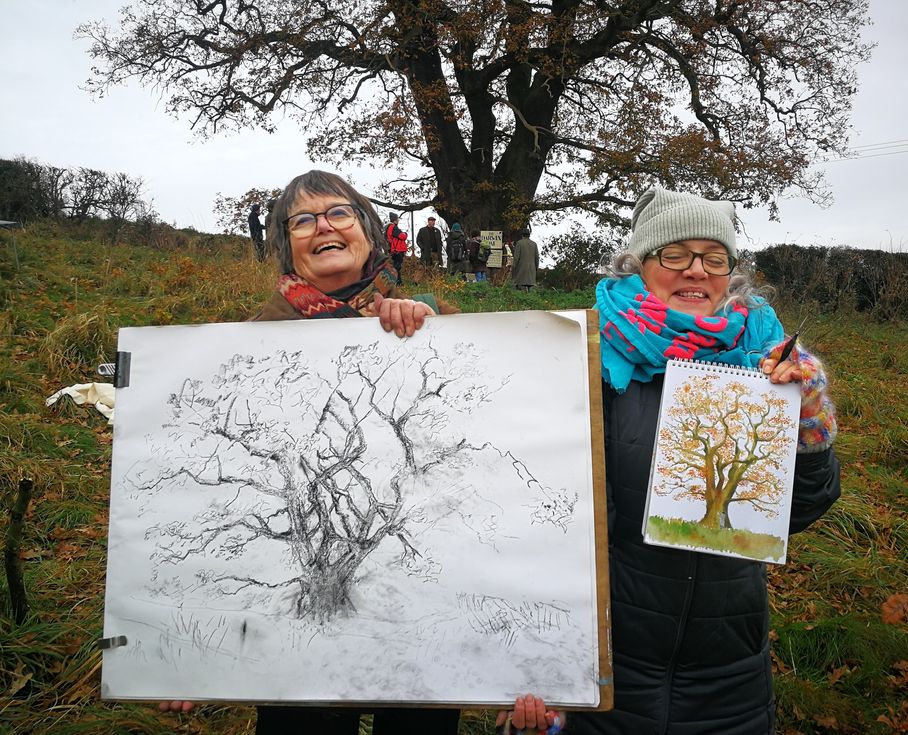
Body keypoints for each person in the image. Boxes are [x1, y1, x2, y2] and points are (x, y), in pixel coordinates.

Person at [499, 187, 840, 734]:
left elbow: (799, 512)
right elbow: (533, 513)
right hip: (609, 665)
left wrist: (808, 421)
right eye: (675, 254)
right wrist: (547, 664)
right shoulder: (583, 355)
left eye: (714, 257)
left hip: (729, 671)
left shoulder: (768, 363)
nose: (696, 271)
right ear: (640, 263)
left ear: (732, 272)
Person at [160, 170, 461, 735]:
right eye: (303, 220)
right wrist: (181, 651)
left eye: (339, 213)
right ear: (285, 246)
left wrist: (431, 326)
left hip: (419, 618)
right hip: (290, 640)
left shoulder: (429, 321)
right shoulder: (242, 348)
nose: (323, 226)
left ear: (369, 233)